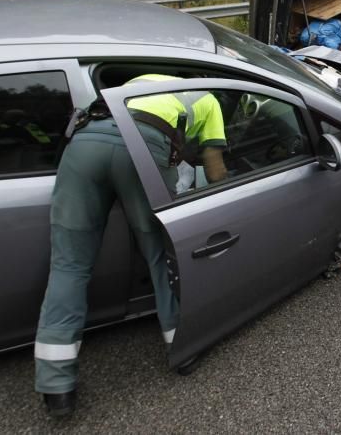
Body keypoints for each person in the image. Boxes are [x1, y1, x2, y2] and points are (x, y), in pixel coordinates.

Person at [34, 73, 227, 417]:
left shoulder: (144, 79)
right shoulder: (208, 100)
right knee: (162, 256)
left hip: (84, 144)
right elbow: (213, 168)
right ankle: (182, 350)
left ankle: (56, 387)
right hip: (142, 149)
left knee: (69, 266)